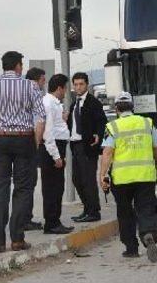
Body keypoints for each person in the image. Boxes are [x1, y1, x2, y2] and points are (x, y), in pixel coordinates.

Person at [0, 51, 45, 253]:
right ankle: (17, 239)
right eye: (21, 65)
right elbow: (40, 117)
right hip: (24, 139)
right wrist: (35, 142)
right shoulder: (29, 86)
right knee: (23, 189)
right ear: (17, 66)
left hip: (0, 138)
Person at [99, 92, 157, 261]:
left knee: (125, 212)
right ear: (132, 107)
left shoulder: (113, 127)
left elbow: (107, 152)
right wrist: (155, 164)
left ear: (117, 108)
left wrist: (102, 175)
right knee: (146, 208)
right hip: (146, 176)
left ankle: (131, 248)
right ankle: (148, 234)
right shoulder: (147, 123)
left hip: (122, 179)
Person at [68, 72, 107, 223]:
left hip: (87, 146)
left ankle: (94, 211)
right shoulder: (74, 104)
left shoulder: (93, 103)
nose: (78, 87)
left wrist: (98, 134)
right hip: (75, 146)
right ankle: (87, 208)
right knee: (77, 179)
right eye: (76, 84)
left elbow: (101, 121)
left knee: (88, 179)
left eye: (81, 84)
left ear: (87, 85)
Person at [40, 74, 74, 234]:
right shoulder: (49, 103)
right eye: (65, 88)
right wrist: (56, 156)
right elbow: (47, 133)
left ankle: (54, 220)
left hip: (57, 147)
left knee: (57, 187)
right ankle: (52, 222)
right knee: (53, 188)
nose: (65, 92)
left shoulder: (54, 103)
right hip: (52, 150)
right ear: (59, 88)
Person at [22, 67, 46, 232]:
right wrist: (36, 143)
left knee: (21, 183)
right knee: (29, 182)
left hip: (14, 140)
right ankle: (25, 219)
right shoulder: (36, 92)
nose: (44, 83)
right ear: (38, 79)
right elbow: (39, 120)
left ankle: (21, 218)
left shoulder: (18, 90)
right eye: (43, 80)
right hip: (29, 141)